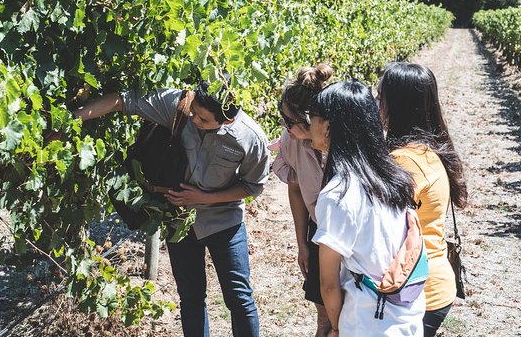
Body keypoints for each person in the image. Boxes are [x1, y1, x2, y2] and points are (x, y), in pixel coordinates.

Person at [72, 80, 270, 337]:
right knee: (191, 297)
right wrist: (71, 120)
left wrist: (205, 197)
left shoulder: (250, 137)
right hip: (178, 220)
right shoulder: (179, 107)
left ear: (227, 120)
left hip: (224, 220)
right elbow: (122, 100)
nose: (195, 120)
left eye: (204, 119)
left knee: (239, 298)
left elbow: (252, 186)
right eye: (194, 113)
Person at [308, 80, 425, 337]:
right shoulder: (392, 177)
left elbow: (329, 285)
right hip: (406, 316)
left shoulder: (338, 195)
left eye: (311, 117)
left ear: (327, 127)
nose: (309, 125)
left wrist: (337, 327)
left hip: (368, 323)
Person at [376, 62, 468, 337]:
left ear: (396, 105)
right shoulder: (428, 152)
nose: (378, 106)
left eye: (381, 98)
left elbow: (381, 228)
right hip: (433, 282)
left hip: (417, 289)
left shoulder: (405, 161)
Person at [271, 64, 333, 337]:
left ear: (311, 122)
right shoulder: (291, 141)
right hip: (319, 232)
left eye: (288, 121)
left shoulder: (345, 141)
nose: (285, 127)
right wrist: (303, 243)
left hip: (352, 234)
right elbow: (295, 187)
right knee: (324, 314)